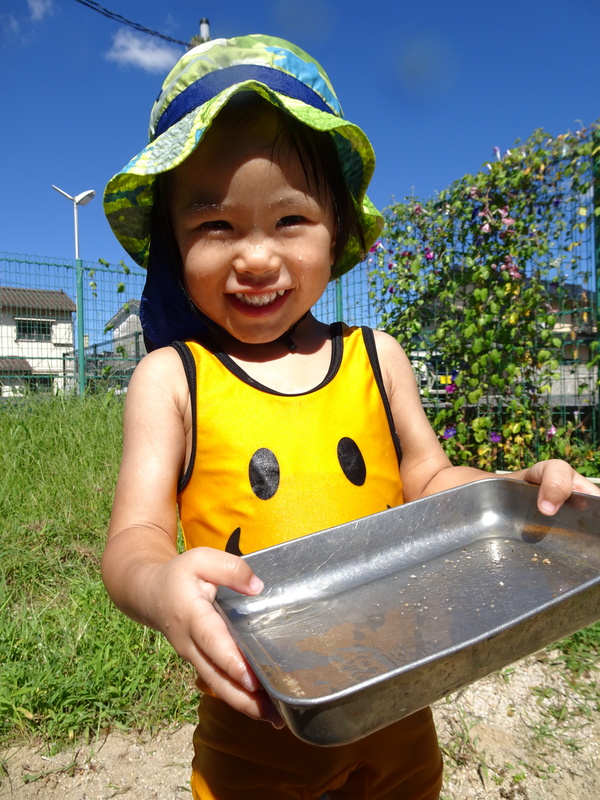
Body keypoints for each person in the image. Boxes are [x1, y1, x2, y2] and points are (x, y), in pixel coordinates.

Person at [101, 34, 600, 800]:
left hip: (397, 705)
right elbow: (132, 540)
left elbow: (431, 477)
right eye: (216, 226)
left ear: (336, 231)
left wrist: (514, 487)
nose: (257, 258)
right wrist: (160, 585)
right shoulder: (171, 380)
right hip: (253, 735)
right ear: (173, 243)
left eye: (290, 221)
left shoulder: (378, 356)